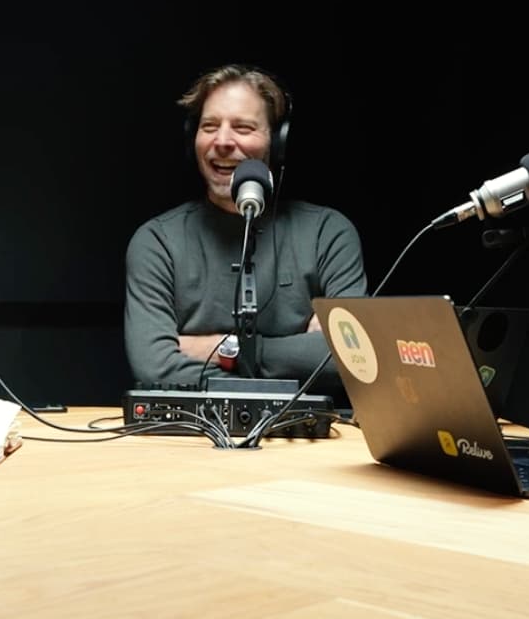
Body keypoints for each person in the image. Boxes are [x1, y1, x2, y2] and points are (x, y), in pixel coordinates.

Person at [124, 64, 368, 391]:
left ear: (277, 141)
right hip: (190, 439)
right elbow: (154, 366)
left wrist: (221, 349)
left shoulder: (329, 234)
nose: (222, 141)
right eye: (210, 126)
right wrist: (297, 353)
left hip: (310, 439)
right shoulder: (158, 242)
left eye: (243, 127)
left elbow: (352, 359)